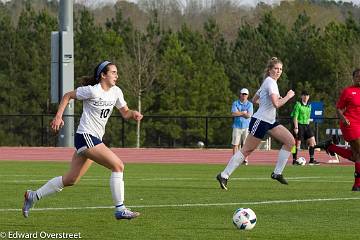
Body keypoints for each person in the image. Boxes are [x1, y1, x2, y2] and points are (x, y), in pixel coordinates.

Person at [22, 60, 143, 219]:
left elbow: (125, 112)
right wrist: (58, 117)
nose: (117, 76)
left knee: (71, 179)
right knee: (118, 165)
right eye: (113, 72)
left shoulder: (116, 92)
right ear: (103, 75)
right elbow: (68, 96)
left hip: (93, 139)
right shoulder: (92, 91)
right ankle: (120, 209)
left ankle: (33, 196)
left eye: (116, 73)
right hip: (86, 136)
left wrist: (133, 113)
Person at [216, 57, 295, 190]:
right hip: (260, 121)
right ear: (269, 70)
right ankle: (223, 175)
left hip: (269, 121)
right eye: (276, 68)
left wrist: (266, 102)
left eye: (280, 69)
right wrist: (288, 96)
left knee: (290, 142)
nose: (278, 71)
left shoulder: (268, 82)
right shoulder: (271, 83)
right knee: (247, 150)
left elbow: (254, 99)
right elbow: (276, 104)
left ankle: (277, 173)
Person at [316, 68, 360, 191]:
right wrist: (344, 118)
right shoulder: (348, 91)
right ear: (353, 78)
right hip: (350, 124)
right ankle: (357, 185)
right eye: (357, 76)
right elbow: (339, 109)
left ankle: (330, 147)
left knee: (355, 156)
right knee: (359, 154)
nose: (359, 79)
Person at [290, 91, 320, 165]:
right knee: (296, 144)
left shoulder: (309, 106)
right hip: (299, 125)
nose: (306, 97)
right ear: (301, 96)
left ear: (309, 97)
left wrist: (308, 123)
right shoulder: (298, 105)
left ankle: (312, 160)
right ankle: (294, 160)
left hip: (306, 125)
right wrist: (296, 127)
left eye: (307, 96)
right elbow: (295, 117)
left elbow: (308, 116)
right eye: (304, 95)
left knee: (312, 141)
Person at [231, 88, 253, 165]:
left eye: (245, 94)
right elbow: (233, 114)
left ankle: (245, 159)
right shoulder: (235, 103)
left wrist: (239, 113)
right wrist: (244, 113)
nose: (244, 96)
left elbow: (249, 115)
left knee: (246, 144)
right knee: (235, 144)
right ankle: (234, 160)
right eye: (242, 94)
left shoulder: (250, 104)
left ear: (247, 95)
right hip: (236, 126)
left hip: (246, 127)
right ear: (240, 94)